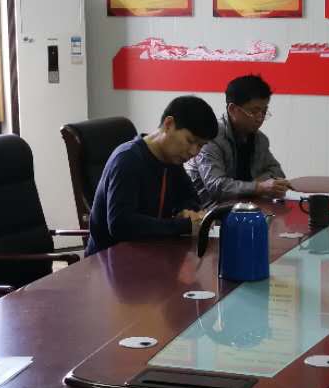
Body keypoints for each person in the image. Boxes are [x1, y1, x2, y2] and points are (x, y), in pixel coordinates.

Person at [85, 95, 220, 255]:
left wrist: (187, 211)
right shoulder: (128, 159)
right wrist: (183, 225)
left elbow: (190, 199)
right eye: (190, 141)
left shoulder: (172, 160)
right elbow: (121, 225)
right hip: (109, 259)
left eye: (200, 146)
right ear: (168, 124)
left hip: (151, 252)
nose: (193, 152)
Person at [187, 74, 290, 206]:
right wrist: (258, 187)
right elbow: (217, 186)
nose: (260, 118)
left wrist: (256, 186)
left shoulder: (260, 139)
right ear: (232, 109)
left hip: (244, 207)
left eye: (264, 112)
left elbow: (277, 171)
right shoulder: (211, 137)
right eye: (254, 111)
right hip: (207, 211)